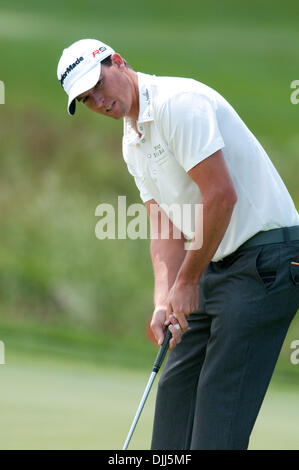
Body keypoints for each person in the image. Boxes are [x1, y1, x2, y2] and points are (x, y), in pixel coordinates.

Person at [57, 38, 299, 450]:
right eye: (86, 99)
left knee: (216, 422)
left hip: (266, 260)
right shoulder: (132, 140)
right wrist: (165, 298)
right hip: (214, 262)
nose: (99, 101)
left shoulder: (178, 104)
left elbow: (220, 197)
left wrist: (187, 282)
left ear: (117, 61)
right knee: (174, 398)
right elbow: (164, 225)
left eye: (98, 85)